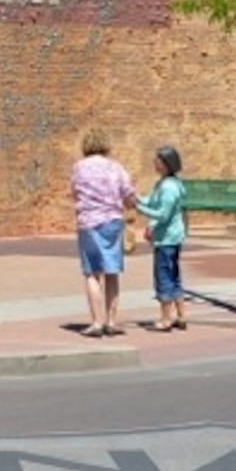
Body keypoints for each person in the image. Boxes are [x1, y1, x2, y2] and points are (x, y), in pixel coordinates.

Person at [69, 129, 139, 335]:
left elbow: (74, 193)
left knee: (91, 272)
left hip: (88, 222)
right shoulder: (115, 167)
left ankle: (96, 322)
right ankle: (111, 321)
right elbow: (128, 194)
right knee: (112, 271)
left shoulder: (78, 168)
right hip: (112, 220)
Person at [138, 144, 189, 332]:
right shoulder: (163, 183)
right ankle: (182, 315)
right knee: (174, 275)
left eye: (158, 160)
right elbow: (151, 201)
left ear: (167, 163)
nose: (155, 162)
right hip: (167, 237)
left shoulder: (169, 188)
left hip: (167, 239)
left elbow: (162, 214)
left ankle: (166, 318)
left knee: (163, 277)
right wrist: (135, 199)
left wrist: (138, 209)